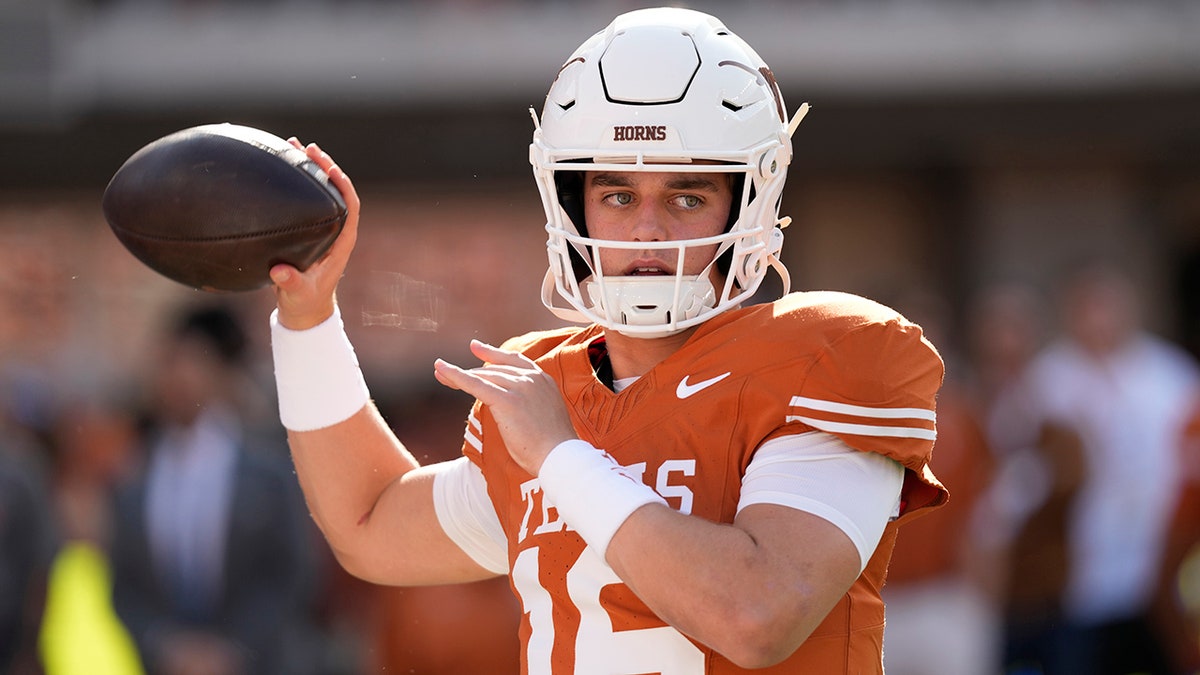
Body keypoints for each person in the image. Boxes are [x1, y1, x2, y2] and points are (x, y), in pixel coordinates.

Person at [268, 7, 947, 673]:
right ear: (570, 203)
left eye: (687, 196)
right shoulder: (546, 385)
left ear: (750, 202)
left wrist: (563, 456)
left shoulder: (821, 356)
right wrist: (308, 317)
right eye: (618, 195)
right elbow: (369, 522)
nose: (647, 231)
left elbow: (757, 615)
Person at [109, 303, 322, 675]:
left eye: (191, 362)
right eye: (168, 362)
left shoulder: (269, 472)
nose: (176, 377)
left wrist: (233, 649)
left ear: (222, 372)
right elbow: (124, 586)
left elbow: (293, 573)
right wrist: (168, 646)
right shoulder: (134, 477)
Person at [1017, 262, 1200, 674]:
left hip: (1161, 558)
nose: (1097, 319)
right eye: (1086, 308)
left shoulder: (1171, 374)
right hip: (1082, 568)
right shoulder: (1048, 380)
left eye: (1106, 306)